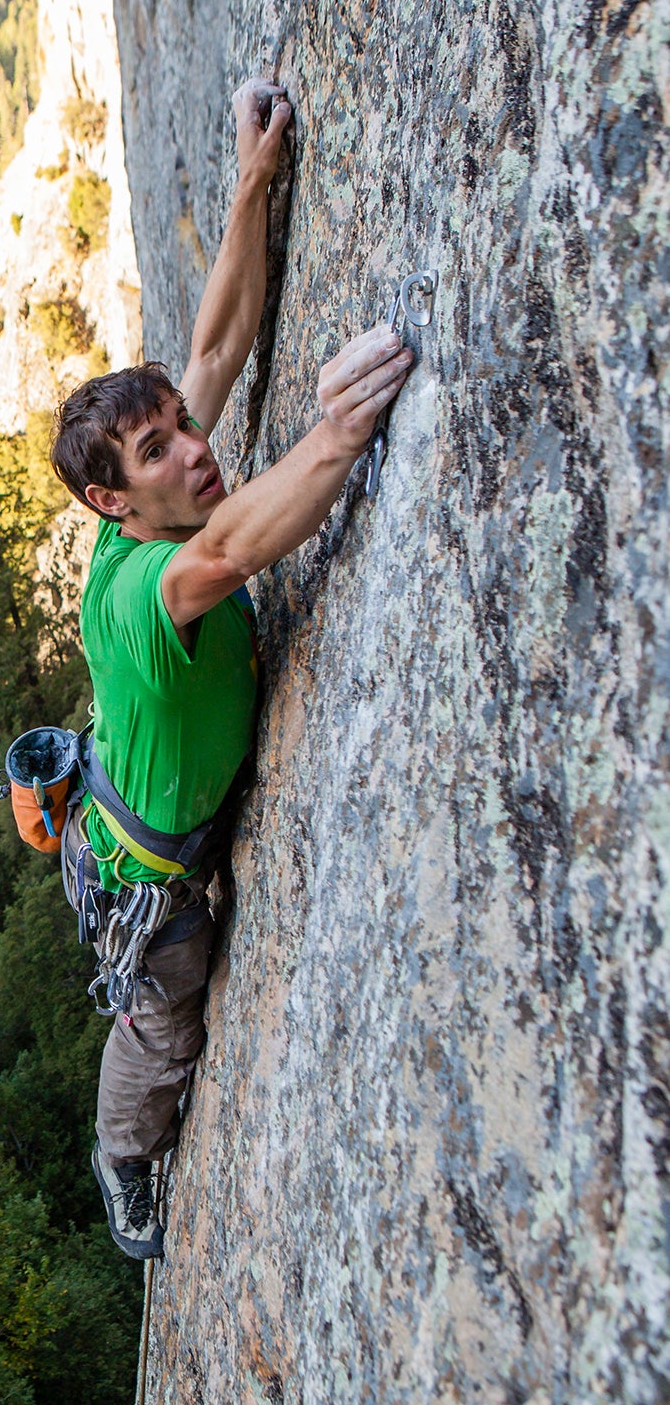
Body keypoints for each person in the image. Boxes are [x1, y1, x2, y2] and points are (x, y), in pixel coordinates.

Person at [49, 78, 415, 1258]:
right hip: (152, 881)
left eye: (180, 428)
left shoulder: (136, 499)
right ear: (115, 497)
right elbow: (236, 541)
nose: (196, 453)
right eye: (162, 450)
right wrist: (338, 432)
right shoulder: (155, 583)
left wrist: (254, 177)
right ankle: (123, 1163)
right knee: (167, 1031)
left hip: (140, 806)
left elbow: (215, 343)